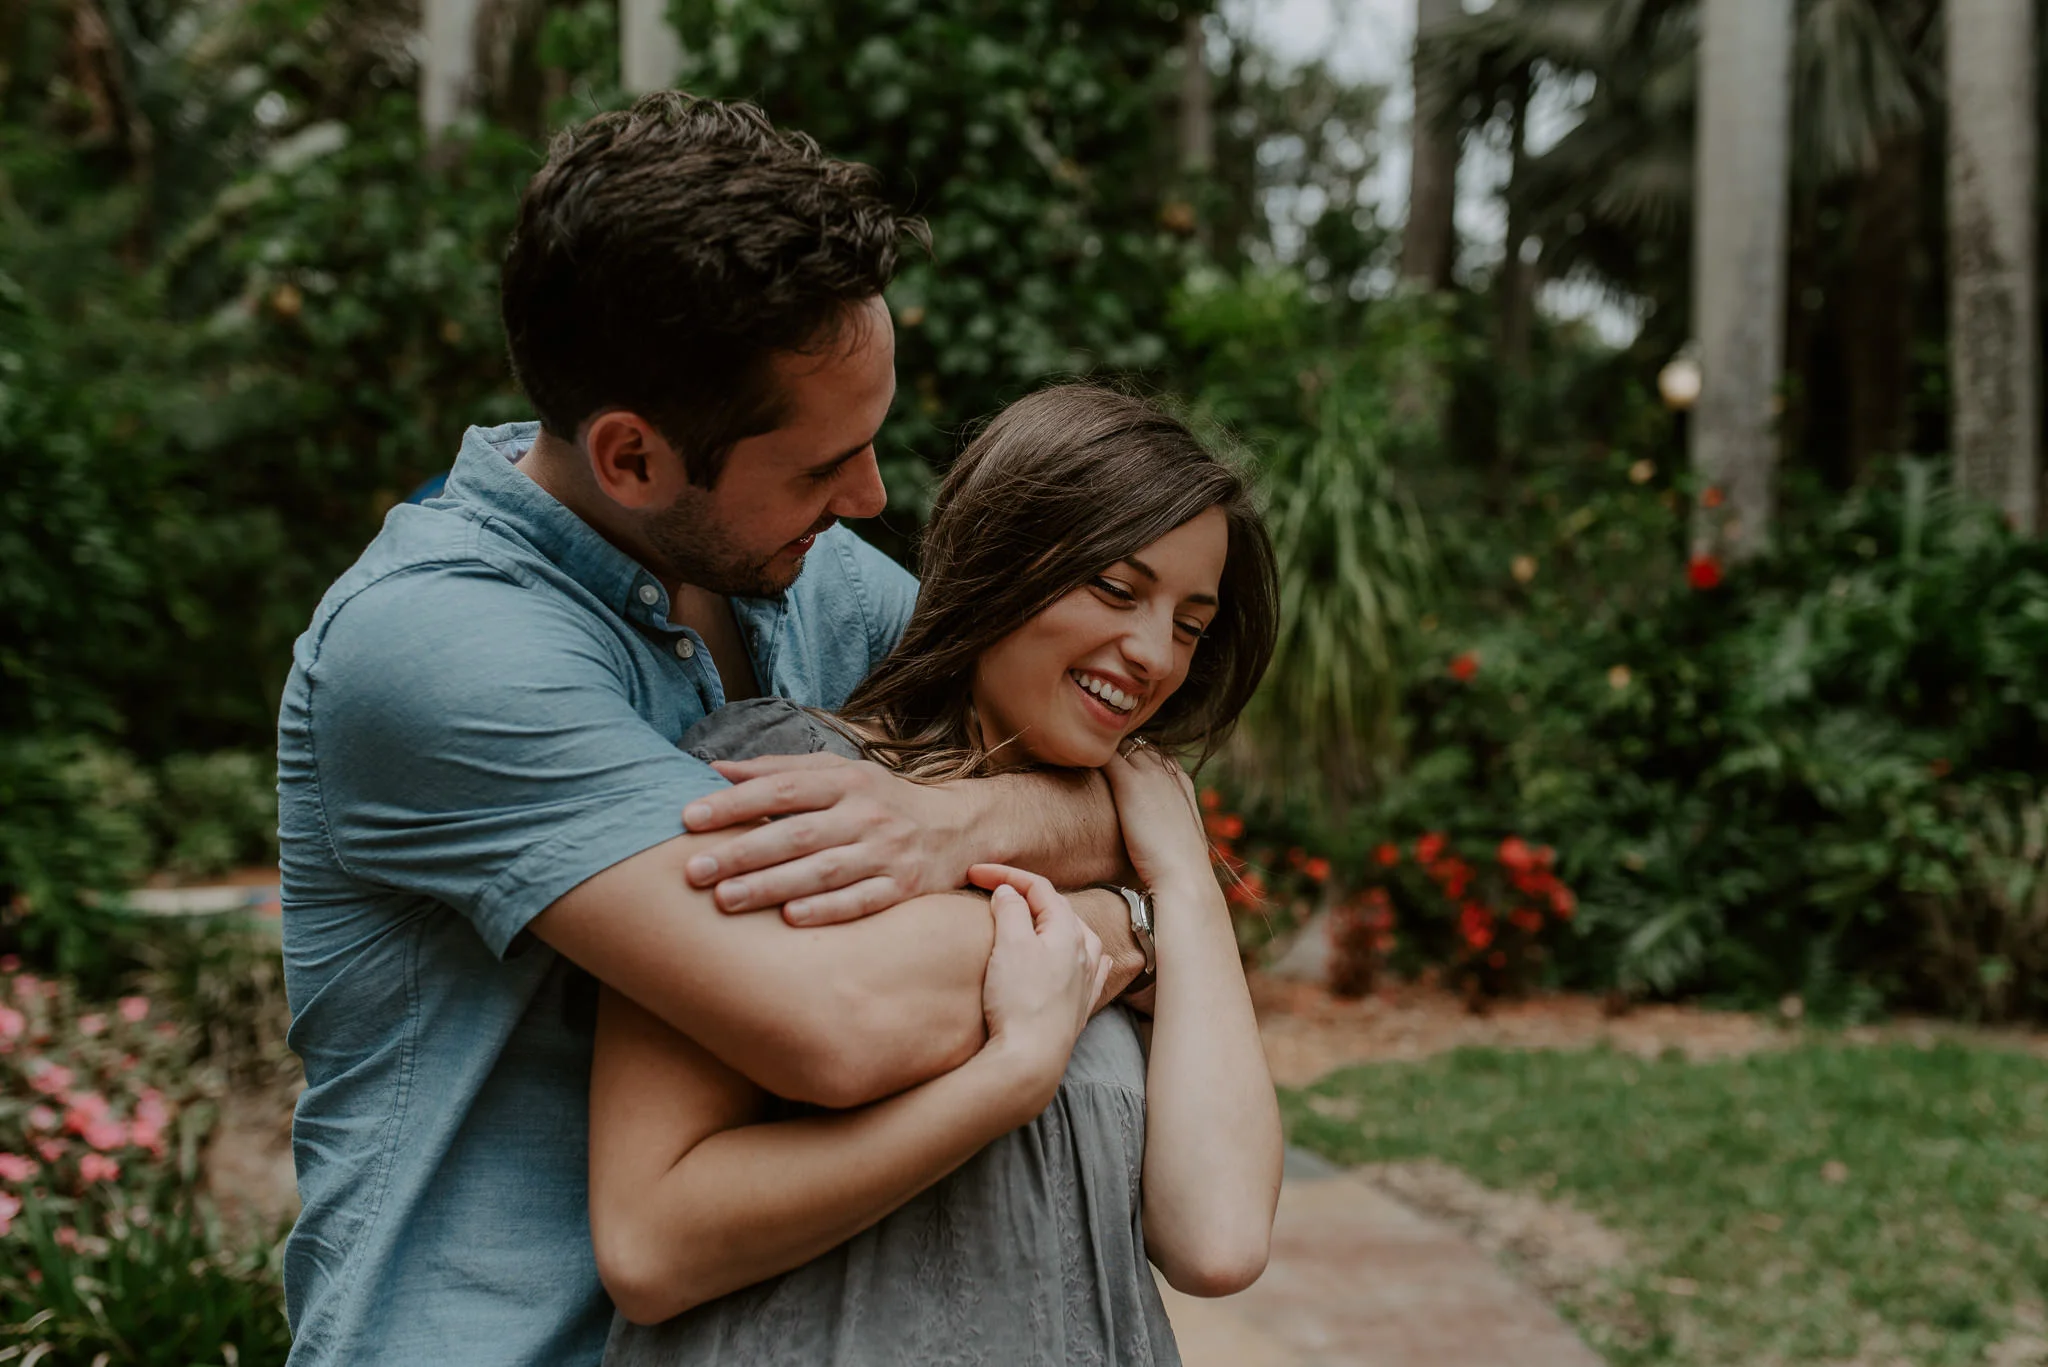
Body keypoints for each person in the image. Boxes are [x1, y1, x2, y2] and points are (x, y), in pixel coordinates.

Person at [275, 94, 1152, 1367]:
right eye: (818, 467)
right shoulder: (431, 650)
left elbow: (1109, 770)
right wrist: (1136, 921)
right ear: (631, 457)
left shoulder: (812, 574)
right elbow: (838, 1017)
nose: (870, 498)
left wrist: (950, 823)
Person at [593, 384, 1286, 1365]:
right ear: (1003, 560)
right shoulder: (792, 787)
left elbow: (1215, 1237)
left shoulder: (1137, 847)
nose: (1150, 654)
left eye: (1188, 622)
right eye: (1117, 589)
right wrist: (1013, 1068)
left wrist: (1177, 874)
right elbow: (651, 1244)